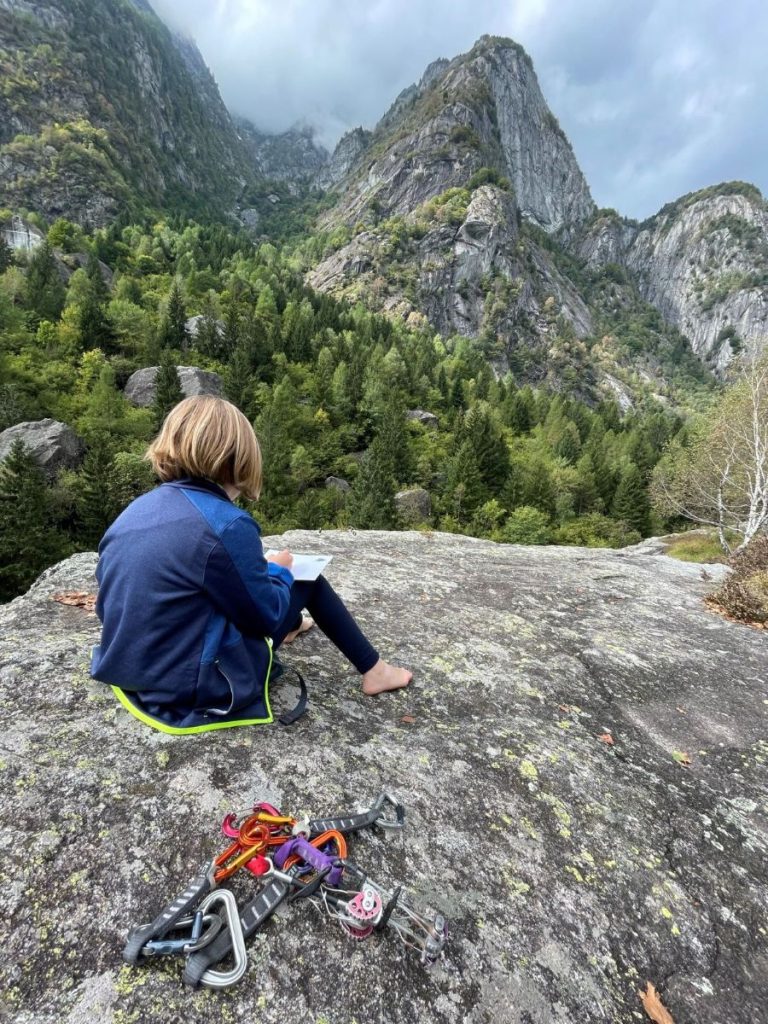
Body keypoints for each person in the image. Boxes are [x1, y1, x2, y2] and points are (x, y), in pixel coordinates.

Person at [90, 395, 412, 732]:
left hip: (131, 667)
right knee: (305, 580)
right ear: (236, 459)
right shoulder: (226, 524)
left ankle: (293, 626)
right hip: (189, 685)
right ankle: (375, 671)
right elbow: (264, 616)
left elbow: (112, 603)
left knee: (255, 583)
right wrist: (278, 570)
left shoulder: (135, 512)